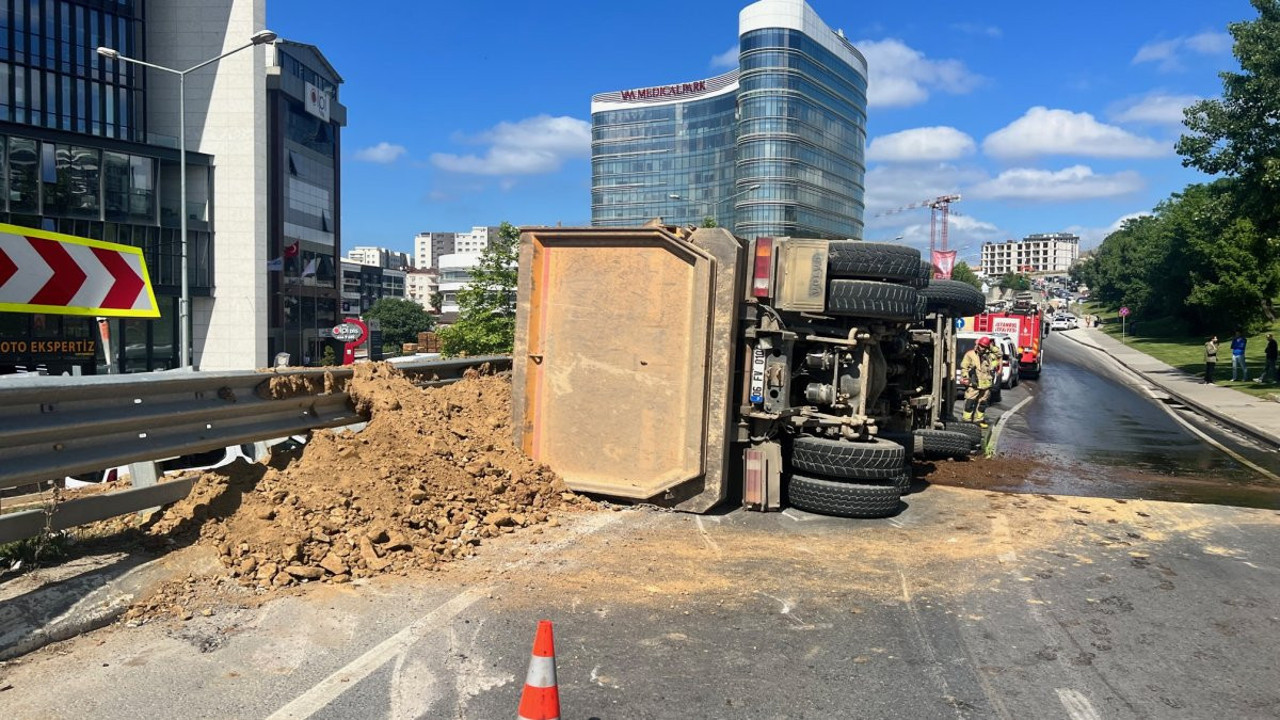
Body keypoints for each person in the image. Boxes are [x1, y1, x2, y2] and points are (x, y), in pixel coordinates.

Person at [960, 336, 1000, 427]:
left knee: (982, 404)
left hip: (986, 385)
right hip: (973, 384)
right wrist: (966, 377)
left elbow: (999, 353)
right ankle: (966, 420)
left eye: (984, 346)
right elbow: (964, 367)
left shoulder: (990, 355)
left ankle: (979, 420)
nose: (982, 348)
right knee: (969, 402)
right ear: (978, 344)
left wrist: (991, 347)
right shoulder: (970, 354)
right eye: (981, 345)